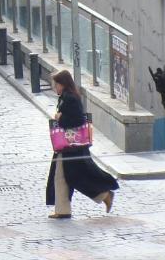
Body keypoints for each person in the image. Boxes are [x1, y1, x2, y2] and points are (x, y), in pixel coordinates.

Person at [46, 69, 119, 218]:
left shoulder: (70, 98)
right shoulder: (66, 97)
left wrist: (60, 118)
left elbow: (77, 120)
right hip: (68, 147)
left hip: (72, 147)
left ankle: (105, 195)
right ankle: (63, 210)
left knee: (76, 176)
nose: (55, 87)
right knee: (61, 176)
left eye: (56, 84)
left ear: (63, 84)